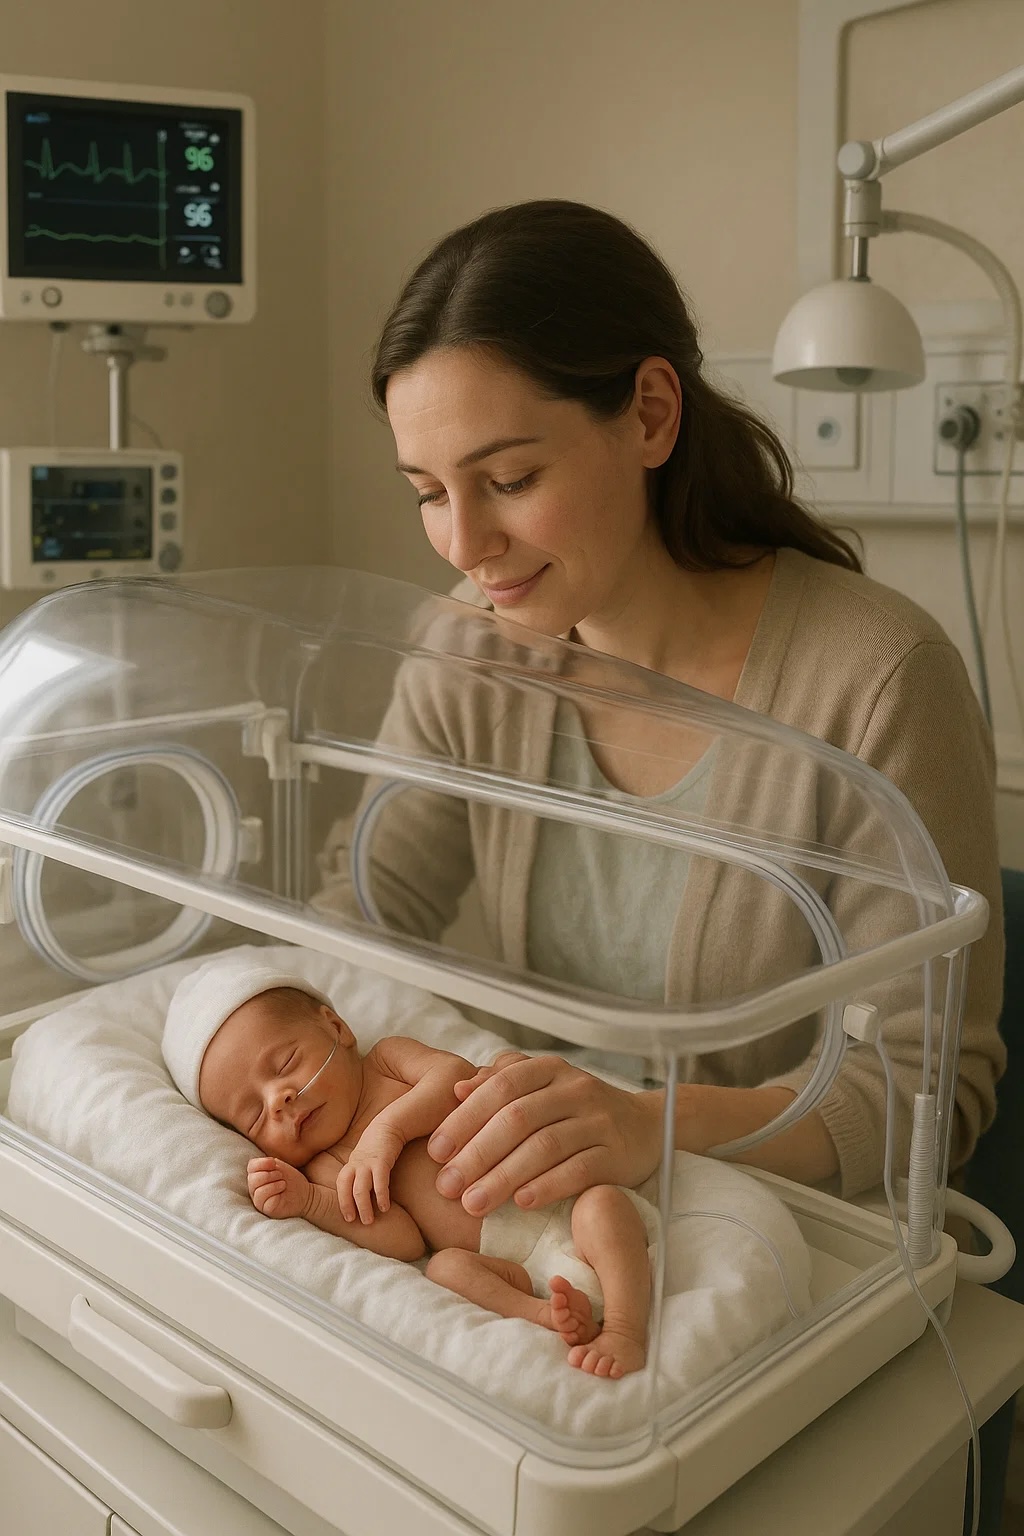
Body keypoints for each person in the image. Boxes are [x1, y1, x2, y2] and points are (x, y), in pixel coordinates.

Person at [313, 198, 1004, 1223]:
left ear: (648, 414)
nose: (463, 544)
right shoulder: (470, 648)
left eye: (508, 478)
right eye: (426, 490)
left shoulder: (876, 679)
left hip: (761, 1223)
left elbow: (921, 1092)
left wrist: (653, 1125)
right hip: (525, 1202)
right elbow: (357, 924)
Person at [161, 957, 657, 1378]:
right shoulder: (327, 1168)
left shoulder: (388, 1062)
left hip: (569, 1201)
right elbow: (404, 1240)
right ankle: (546, 1315)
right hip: (521, 1268)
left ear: (336, 1027)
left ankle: (623, 1332)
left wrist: (387, 1132)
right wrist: (312, 1202)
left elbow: (454, 1077)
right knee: (445, 1268)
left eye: (286, 1062)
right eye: (254, 1113)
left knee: (603, 1208)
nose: (280, 1098)